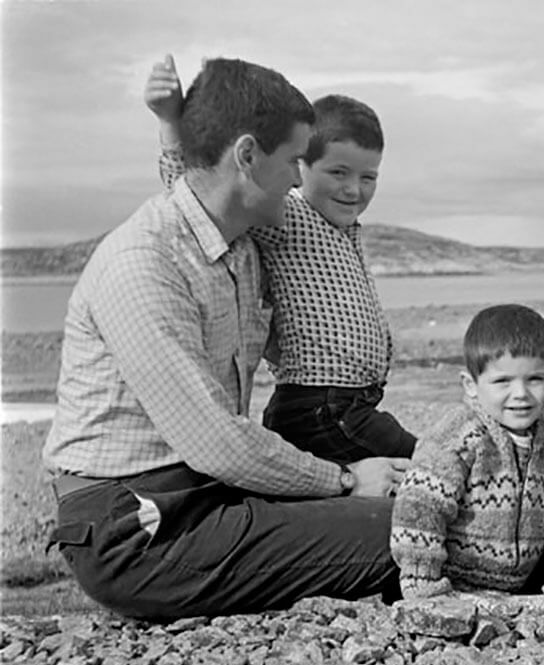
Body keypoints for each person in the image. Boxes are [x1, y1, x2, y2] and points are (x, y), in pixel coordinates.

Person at [43, 57, 411, 622]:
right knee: (409, 528)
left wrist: (175, 124)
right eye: (293, 160)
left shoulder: (238, 247)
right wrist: (342, 479)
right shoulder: (145, 264)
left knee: (417, 509)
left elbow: (190, 177)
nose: (297, 179)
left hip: (206, 492)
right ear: (246, 156)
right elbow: (216, 442)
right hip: (140, 526)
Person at [144, 55, 416, 464]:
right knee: (426, 462)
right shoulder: (288, 216)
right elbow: (197, 192)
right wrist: (170, 123)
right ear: (299, 164)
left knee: (416, 462)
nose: (353, 189)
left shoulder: (347, 232)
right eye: (338, 172)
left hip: (350, 406)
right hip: (317, 408)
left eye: (368, 177)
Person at [390, 304, 544, 604]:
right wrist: (424, 586)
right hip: (451, 585)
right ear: (471, 386)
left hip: (521, 584)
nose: (521, 394)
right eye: (502, 382)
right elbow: (420, 509)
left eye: (534, 379)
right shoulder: (458, 435)